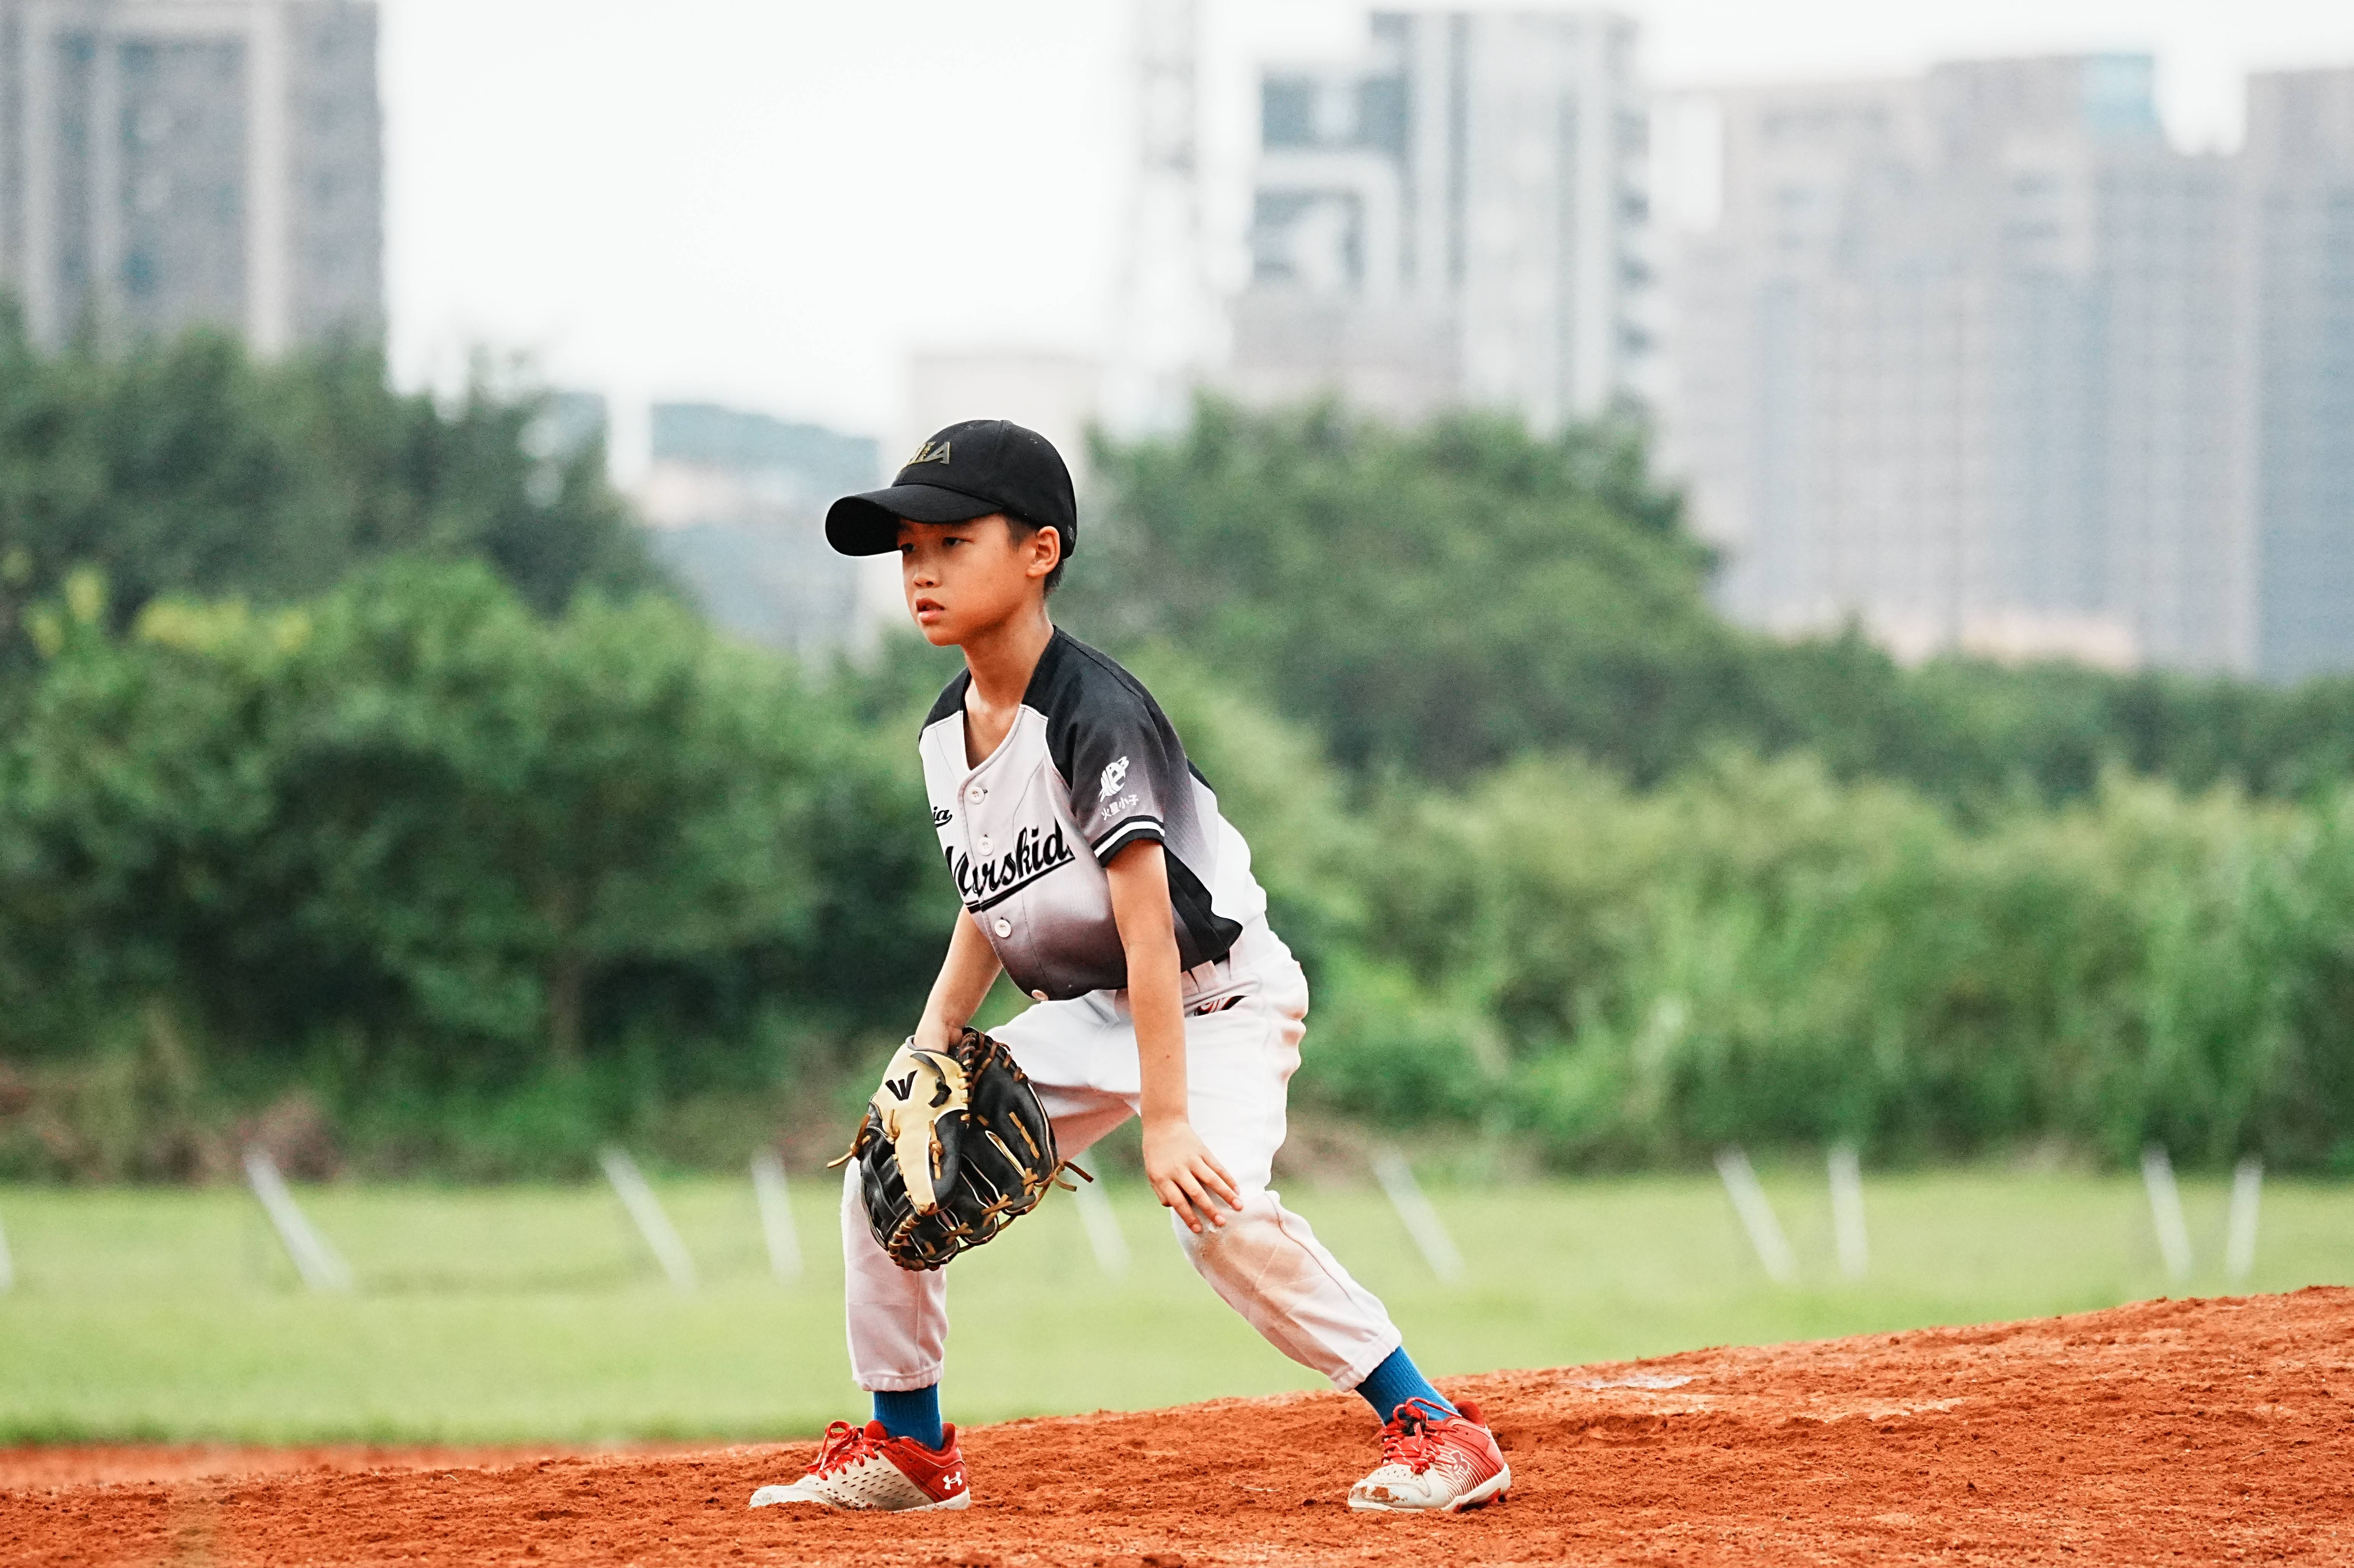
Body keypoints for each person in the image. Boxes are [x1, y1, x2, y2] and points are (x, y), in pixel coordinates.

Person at [748, 420, 1508, 1516]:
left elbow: (1148, 929)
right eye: (910, 549)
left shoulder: (1094, 713)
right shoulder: (945, 731)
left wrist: (1167, 1120)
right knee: (889, 1171)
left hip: (1219, 1001)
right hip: (1096, 1008)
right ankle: (911, 1449)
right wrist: (925, 1050)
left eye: (953, 542)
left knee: (1218, 1213)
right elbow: (992, 897)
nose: (921, 570)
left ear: (1040, 551)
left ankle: (1438, 1428)